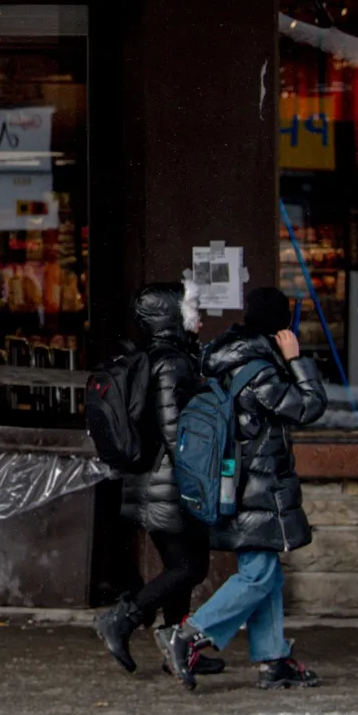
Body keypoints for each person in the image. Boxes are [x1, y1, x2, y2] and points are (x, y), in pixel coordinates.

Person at [160, 286, 328, 692]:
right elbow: (308, 407)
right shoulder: (258, 370)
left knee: (266, 574)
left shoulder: (231, 357)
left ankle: (273, 660)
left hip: (240, 485)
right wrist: (296, 360)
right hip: (256, 488)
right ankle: (188, 634)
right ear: (279, 326)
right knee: (258, 575)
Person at [94, 283, 219, 676]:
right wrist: (198, 479)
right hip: (168, 483)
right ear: (170, 315)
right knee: (188, 568)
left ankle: (177, 650)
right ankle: (121, 619)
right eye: (191, 309)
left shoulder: (159, 357)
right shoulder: (172, 363)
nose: (198, 318)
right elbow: (175, 429)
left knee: (183, 568)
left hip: (157, 481)